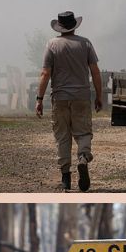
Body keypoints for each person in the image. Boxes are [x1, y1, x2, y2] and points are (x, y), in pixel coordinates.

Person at [35, 11, 104, 191]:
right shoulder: (85, 43)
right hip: (81, 96)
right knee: (83, 133)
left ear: (60, 27)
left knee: (62, 136)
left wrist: (39, 99)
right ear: (74, 26)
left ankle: (66, 178)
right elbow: (95, 71)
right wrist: (99, 95)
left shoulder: (52, 44)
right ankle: (83, 157)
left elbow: (45, 73)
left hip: (60, 98)